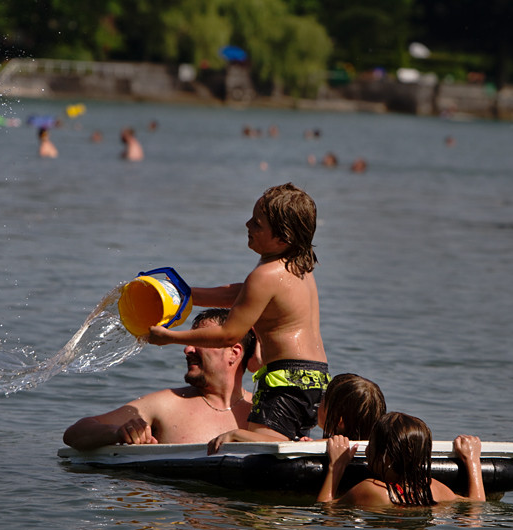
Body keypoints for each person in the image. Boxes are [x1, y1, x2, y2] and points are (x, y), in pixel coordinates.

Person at [149, 183, 329, 447]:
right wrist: (187, 295)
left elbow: (229, 334)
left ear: (282, 238)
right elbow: (240, 295)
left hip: (286, 375)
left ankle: (240, 437)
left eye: (257, 223)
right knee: (286, 443)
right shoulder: (297, 266)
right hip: (316, 375)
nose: (247, 225)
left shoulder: (264, 275)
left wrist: (170, 337)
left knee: (262, 443)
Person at [62, 309, 256, 450]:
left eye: (198, 341)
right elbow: (75, 433)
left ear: (234, 352)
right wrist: (117, 432)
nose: (187, 349)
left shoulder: (261, 409)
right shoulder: (165, 405)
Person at [316, 412, 486, 505]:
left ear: (387, 459)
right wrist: (472, 460)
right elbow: (476, 503)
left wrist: (336, 465)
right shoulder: (433, 488)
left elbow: (325, 507)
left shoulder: (371, 490)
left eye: (372, 445)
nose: (366, 450)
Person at [308, 373, 386, 440]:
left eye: (323, 398)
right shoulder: (372, 450)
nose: (318, 402)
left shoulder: (333, 451)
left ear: (340, 420)